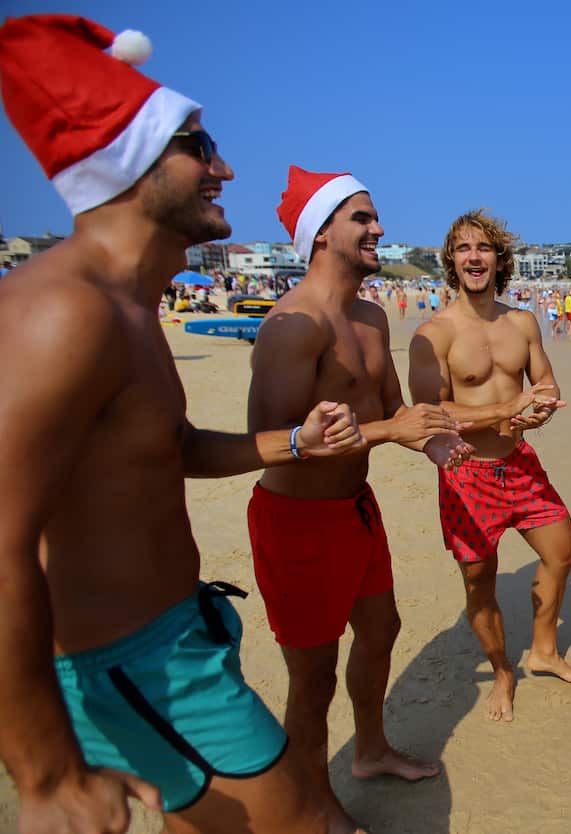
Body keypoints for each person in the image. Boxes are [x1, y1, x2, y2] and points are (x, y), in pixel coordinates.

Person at [0, 16, 368, 833]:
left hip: (172, 637)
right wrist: (47, 776)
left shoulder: (129, 308)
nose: (224, 169)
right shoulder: (63, 312)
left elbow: (167, 450)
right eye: (199, 147)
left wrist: (296, 442)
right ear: (128, 161)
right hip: (130, 663)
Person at [248, 166, 473, 826]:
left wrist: (431, 441)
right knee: (313, 675)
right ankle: (312, 806)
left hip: (355, 508)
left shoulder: (371, 317)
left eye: (375, 216)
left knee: (381, 630)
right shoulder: (294, 326)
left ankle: (369, 751)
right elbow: (267, 441)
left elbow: (391, 407)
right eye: (362, 218)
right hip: (296, 522)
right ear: (320, 233)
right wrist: (389, 431)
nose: (379, 228)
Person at [409, 209, 571, 723]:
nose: (474, 257)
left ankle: (544, 650)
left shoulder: (522, 323)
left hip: (519, 463)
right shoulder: (435, 333)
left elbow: (545, 382)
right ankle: (503, 670)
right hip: (467, 475)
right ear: (451, 261)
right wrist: (506, 408)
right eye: (464, 248)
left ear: (499, 259)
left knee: (562, 553)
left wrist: (541, 408)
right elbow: (429, 413)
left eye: (484, 248)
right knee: (479, 583)